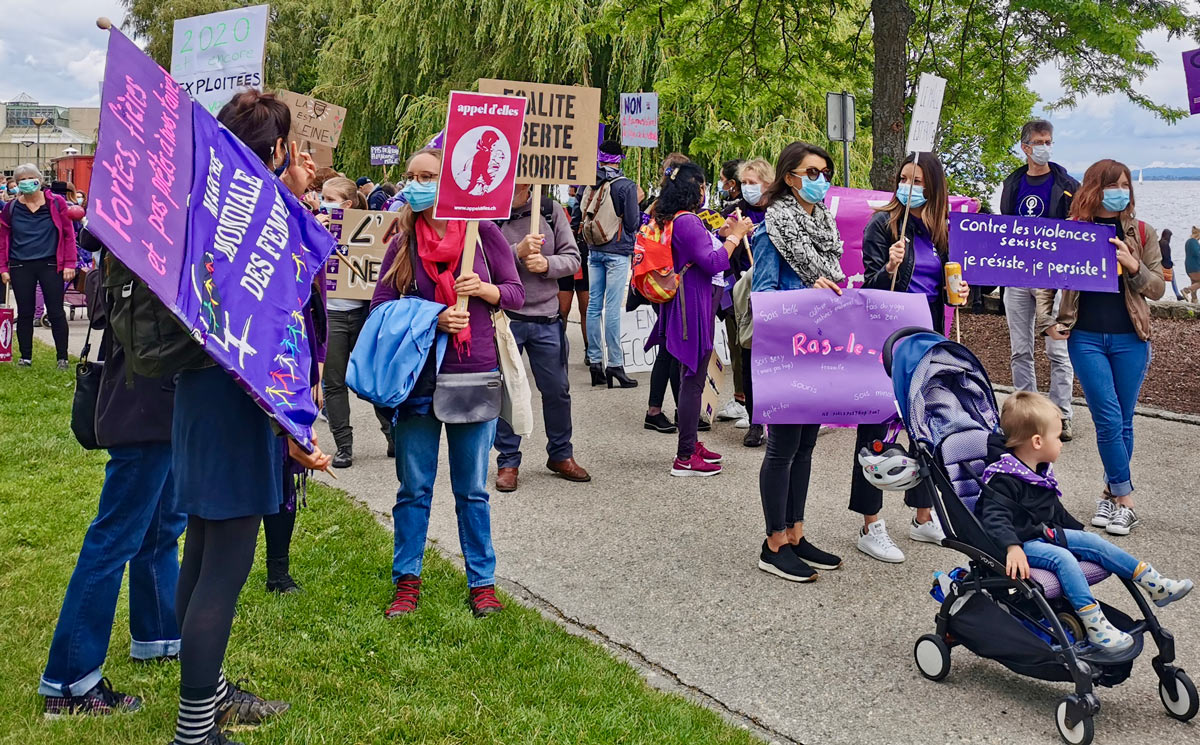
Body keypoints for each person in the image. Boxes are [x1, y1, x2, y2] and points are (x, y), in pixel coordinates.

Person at [168, 90, 332, 745]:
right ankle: (195, 731)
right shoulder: (263, 219)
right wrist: (296, 424)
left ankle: (208, 697)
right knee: (225, 568)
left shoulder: (196, 207)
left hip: (196, 398)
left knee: (200, 551)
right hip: (239, 405)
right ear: (274, 151)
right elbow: (276, 331)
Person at [371, 146, 524, 619]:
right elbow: (378, 309)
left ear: (451, 181)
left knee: (472, 490)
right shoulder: (402, 240)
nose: (416, 184)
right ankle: (407, 581)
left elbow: (517, 294)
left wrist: (484, 289)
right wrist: (432, 318)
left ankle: (482, 582)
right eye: (411, 176)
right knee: (413, 488)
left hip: (473, 378)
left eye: (428, 176)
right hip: (417, 382)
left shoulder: (485, 235)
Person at [39, 232, 187, 717]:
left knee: (160, 528)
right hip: (143, 403)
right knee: (115, 538)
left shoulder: (136, 227)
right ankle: (69, 681)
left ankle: (160, 633)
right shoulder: (139, 233)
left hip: (155, 403)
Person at [977, 392, 1191, 651]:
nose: (1061, 443)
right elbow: (994, 517)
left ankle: (1154, 583)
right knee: (1063, 559)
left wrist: (1077, 535)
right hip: (1021, 542)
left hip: (1042, 533)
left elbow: (1053, 511)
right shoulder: (1004, 477)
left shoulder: (1036, 472)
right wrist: (1012, 547)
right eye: (1056, 437)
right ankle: (1096, 626)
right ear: (1036, 442)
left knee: (1091, 540)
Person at [1039, 159, 1165, 536]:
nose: (1121, 192)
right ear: (1094, 189)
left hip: (1132, 339)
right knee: (1108, 418)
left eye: (1125, 185)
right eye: (1113, 185)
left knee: (1123, 420)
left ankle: (1110, 494)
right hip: (1086, 337)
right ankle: (1126, 500)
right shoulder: (1074, 232)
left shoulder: (1142, 232)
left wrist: (1133, 265)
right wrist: (1049, 322)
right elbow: (1046, 278)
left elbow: (1156, 288)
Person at [854, 153, 966, 562]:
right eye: (903, 178)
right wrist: (889, 267)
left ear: (933, 186)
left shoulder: (941, 232)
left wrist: (962, 292)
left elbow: (946, 285)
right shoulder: (882, 226)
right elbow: (869, 288)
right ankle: (870, 523)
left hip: (929, 341)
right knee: (877, 432)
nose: (908, 186)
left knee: (927, 425)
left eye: (917, 180)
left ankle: (923, 515)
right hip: (890, 341)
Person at [750, 142, 847, 581]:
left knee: (807, 447)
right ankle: (772, 544)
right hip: (788, 351)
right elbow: (764, 295)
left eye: (825, 171)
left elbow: (836, 277)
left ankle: (795, 533)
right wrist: (810, 297)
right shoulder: (771, 230)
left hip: (819, 351)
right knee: (783, 448)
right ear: (790, 177)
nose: (820, 179)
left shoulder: (824, 225)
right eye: (811, 171)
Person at [647, 161, 753, 477]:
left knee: (690, 375)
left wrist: (719, 233)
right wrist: (735, 236)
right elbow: (714, 261)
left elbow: (700, 250)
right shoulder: (687, 221)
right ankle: (684, 456)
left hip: (684, 301)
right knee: (693, 377)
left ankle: (690, 444)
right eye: (704, 185)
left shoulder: (676, 219)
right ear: (696, 188)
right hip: (690, 304)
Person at [493, 184, 589, 492]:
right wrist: (515, 253)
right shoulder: (489, 216)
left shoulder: (551, 210)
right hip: (506, 318)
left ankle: (561, 454)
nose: (516, 186)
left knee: (558, 390)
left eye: (523, 182)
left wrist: (548, 265)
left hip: (547, 318)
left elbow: (573, 258)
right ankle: (508, 461)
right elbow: (480, 263)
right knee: (507, 391)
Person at [999, 120, 1077, 441]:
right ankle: (1027, 416)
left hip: (1052, 280)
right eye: (1039, 141)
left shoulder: (1067, 184)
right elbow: (1003, 225)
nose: (1045, 146)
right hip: (1017, 276)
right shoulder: (1013, 183)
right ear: (1026, 147)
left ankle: (1061, 417)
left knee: (1058, 351)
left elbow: (1080, 231)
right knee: (1021, 351)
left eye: (1049, 141)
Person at [315, 177, 393, 467]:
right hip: (331, 314)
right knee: (334, 382)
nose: (323, 202)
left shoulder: (369, 228)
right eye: (322, 196)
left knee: (373, 377)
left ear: (347, 204)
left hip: (362, 312)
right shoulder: (314, 227)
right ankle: (343, 445)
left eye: (329, 197)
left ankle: (392, 433)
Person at [0, 163, 76, 369]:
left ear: (40, 180)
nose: (25, 182)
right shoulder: (11, 208)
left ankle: (63, 358)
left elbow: (69, 235)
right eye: (21, 179)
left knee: (56, 312)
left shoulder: (57, 203)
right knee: (24, 312)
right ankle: (25, 357)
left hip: (51, 263)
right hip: (20, 264)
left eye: (30, 177)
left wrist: (70, 263)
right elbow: (3, 238)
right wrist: (3, 268)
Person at [581, 140, 640, 388]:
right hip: (617, 252)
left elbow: (579, 214)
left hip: (593, 251)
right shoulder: (625, 186)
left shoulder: (590, 182)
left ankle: (595, 362)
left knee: (594, 306)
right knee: (612, 308)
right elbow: (632, 223)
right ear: (619, 159)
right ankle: (615, 364)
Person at [723, 157, 773, 447]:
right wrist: (729, 235)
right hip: (744, 289)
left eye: (752, 183)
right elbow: (720, 243)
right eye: (743, 183)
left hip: (774, 290)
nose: (747, 188)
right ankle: (755, 421)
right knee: (748, 354)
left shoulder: (780, 210)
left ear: (768, 183)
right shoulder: (734, 210)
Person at [642, 152, 693, 434]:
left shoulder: (658, 206)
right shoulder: (671, 209)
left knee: (669, 348)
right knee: (671, 350)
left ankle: (667, 408)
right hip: (669, 285)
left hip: (659, 284)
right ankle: (664, 409)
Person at [560, 187, 589, 353]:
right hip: (565, 263)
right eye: (571, 190)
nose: (572, 193)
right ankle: (559, 350)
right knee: (562, 311)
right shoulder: (560, 211)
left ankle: (590, 351)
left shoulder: (590, 208)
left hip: (584, 261)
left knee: (586, 310)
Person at [1159, 229, 1182, 301]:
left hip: (1158, 264)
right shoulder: (1165, 244)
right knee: (1173, 280)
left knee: (1160, 280)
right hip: (1165, 264)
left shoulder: (1158, 242)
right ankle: (1177, 294)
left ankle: (1158, 295)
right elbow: (1167, 256)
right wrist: (1170, 264)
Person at [1184, 226, 1200, 303]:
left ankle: (1194, 299)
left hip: (1188, 267)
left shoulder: (1188, 242)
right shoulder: (1194, 242)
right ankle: (1186, 290)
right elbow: (1197, 254)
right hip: (1195, 267)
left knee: (1194, 282)